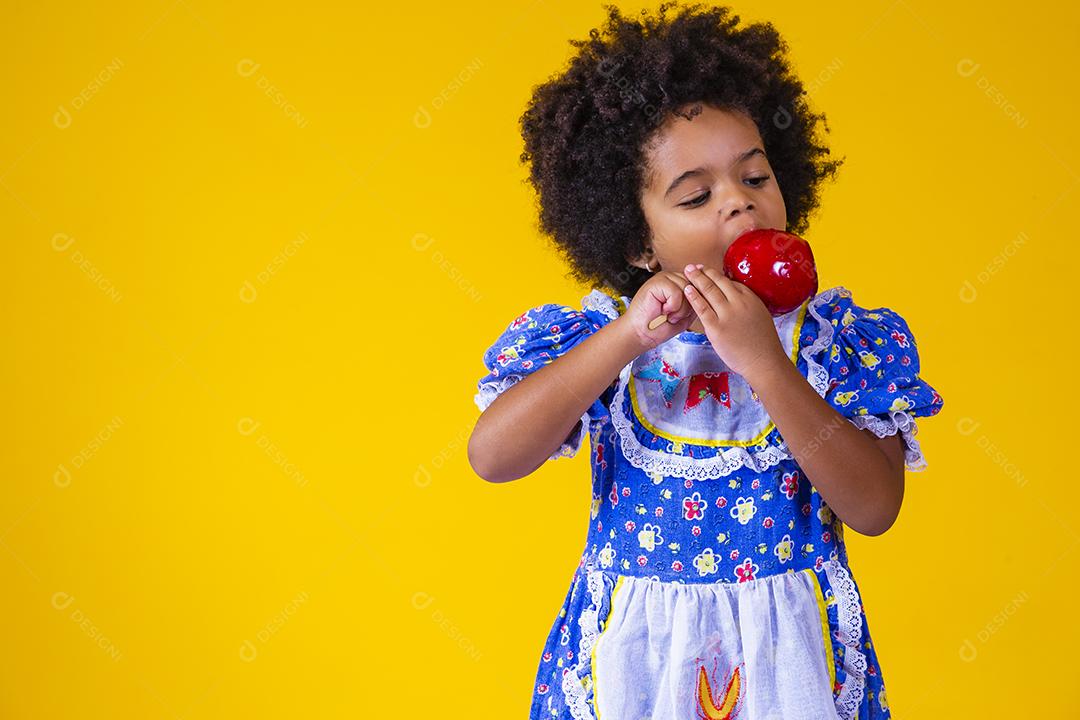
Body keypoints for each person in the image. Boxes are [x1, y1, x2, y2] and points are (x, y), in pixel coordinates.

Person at [468, 3, 944, 718]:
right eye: (697, 195)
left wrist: (768, 367)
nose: (739, 207)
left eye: (755, 179)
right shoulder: (608, 340)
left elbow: (874, 507)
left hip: (790, 665)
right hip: (637, 663)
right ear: (637, 243)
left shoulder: (832, 341)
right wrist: (629, 337)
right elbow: (493, 455)